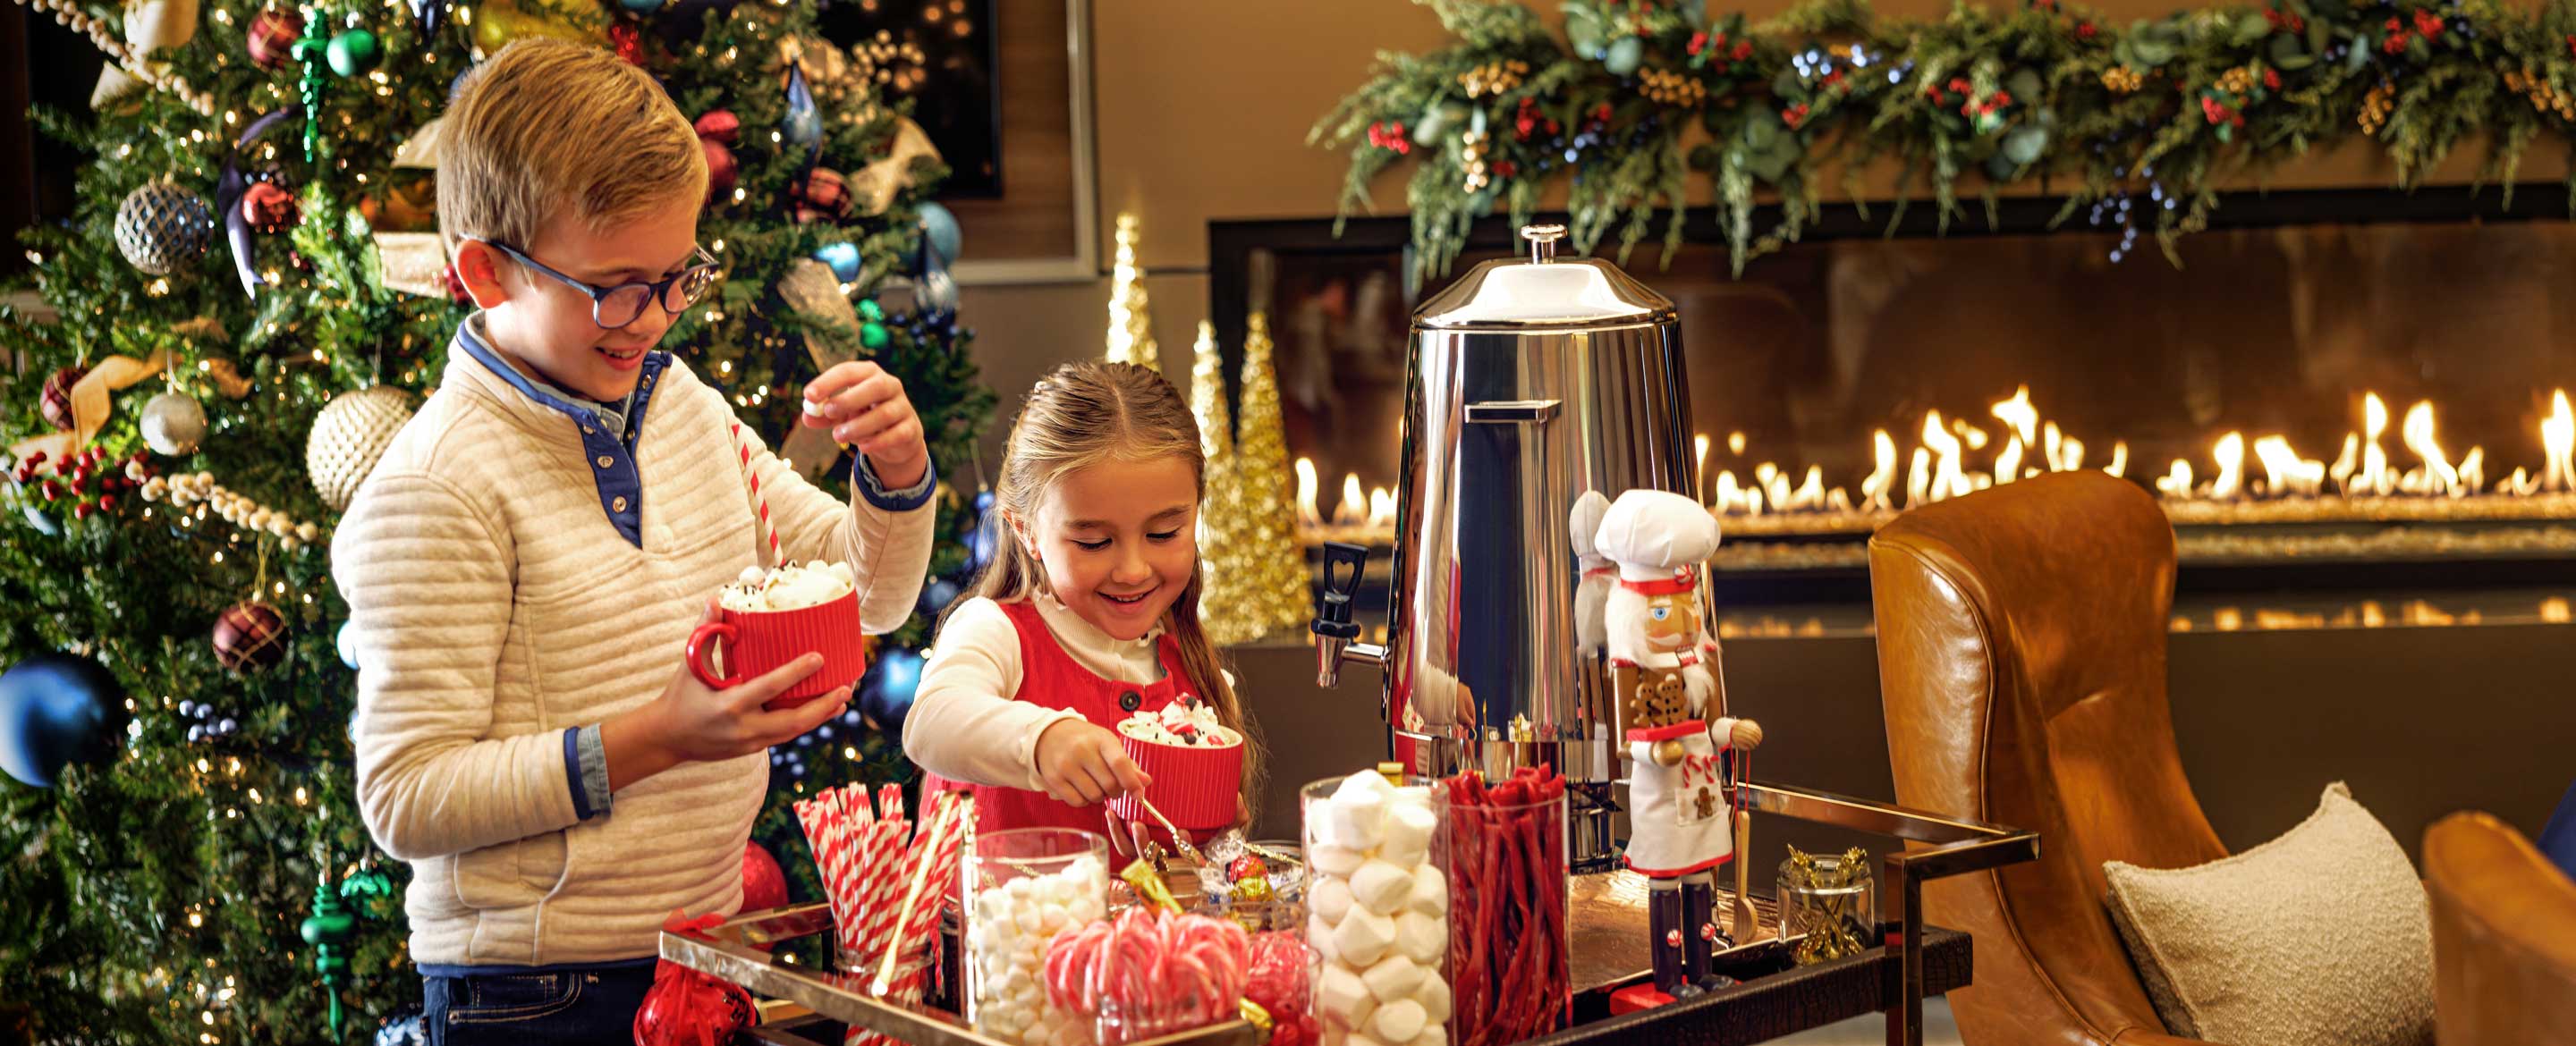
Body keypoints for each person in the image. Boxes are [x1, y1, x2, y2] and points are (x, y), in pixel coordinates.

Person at [331, 39, 937, 1042]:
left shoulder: (677, 405)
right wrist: (658, 737)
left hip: (702, 952)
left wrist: (897, 473)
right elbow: (405, 796)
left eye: (678, 277)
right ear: (486, 271)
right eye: (615, 286)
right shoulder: (438, 487)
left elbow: (866, 599)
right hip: (537, 996)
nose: (651, 319)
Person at [905, 360, 1256, 854]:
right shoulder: (996, 631)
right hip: (990, 926)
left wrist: (1212, 847)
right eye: (1093, 542)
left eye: (1163, 534)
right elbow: (931, 723)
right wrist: (1044, 740)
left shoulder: (1192, 672)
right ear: (1026, 529)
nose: (1133, 569)